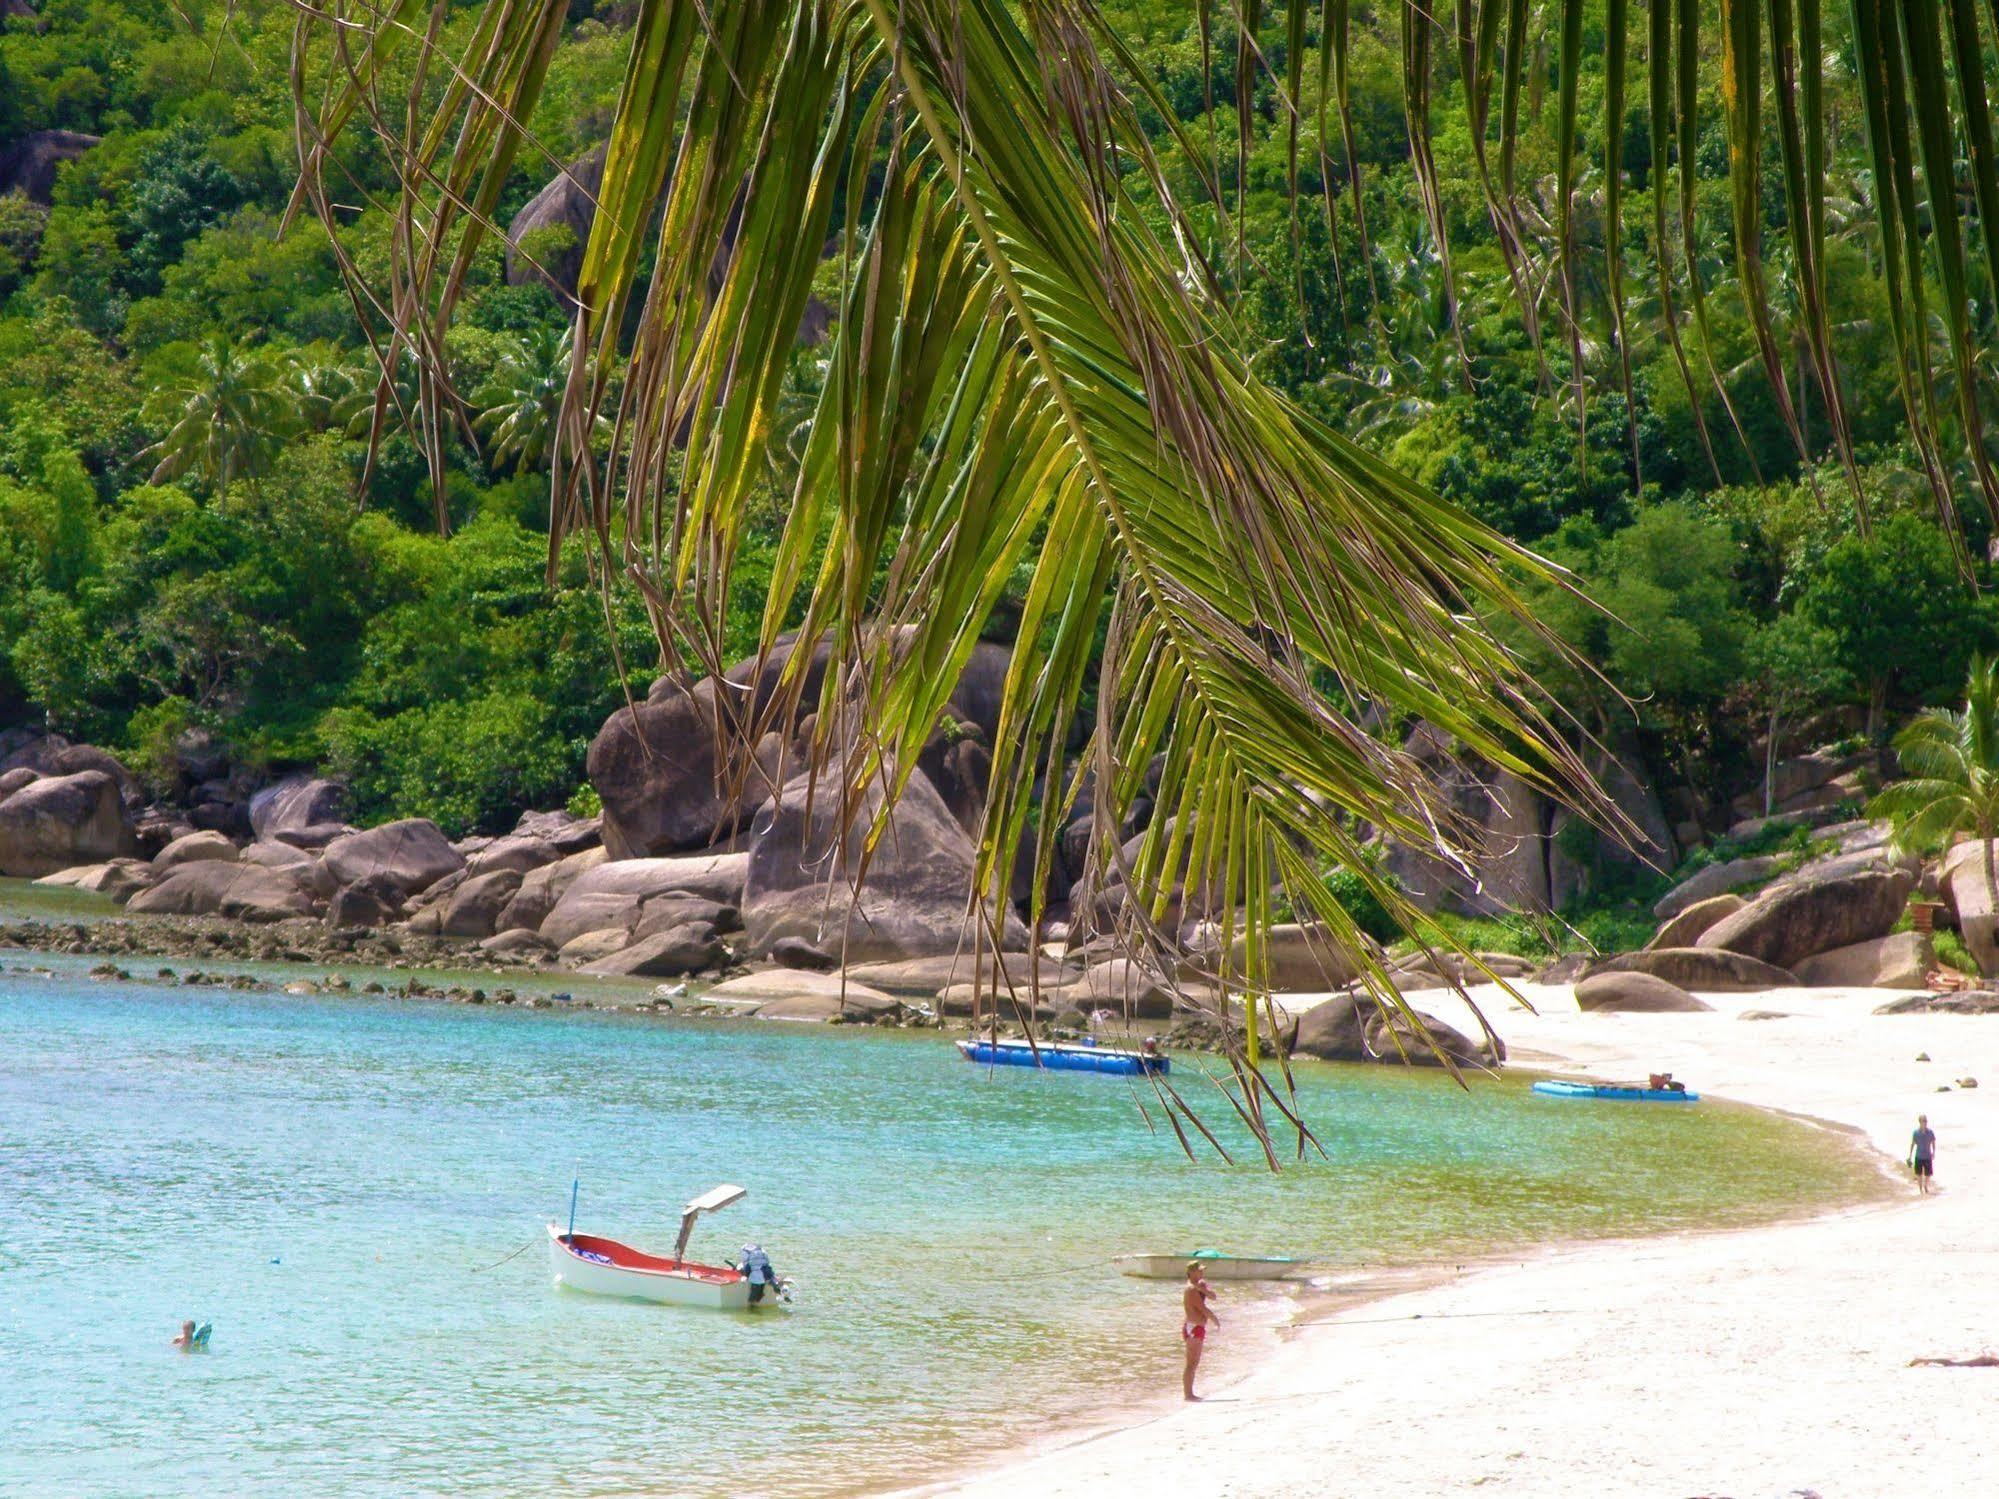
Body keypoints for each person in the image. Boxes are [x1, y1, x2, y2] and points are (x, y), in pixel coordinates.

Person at [1181, 1261, 1220, 1401]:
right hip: (1193, 1327)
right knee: (1191, 1363)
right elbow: (1201, 1308)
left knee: (1195, 1362)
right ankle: (1188, 1395)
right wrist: (1215, 1319)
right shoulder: (1190, 1289)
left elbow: (1213, 1297)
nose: (1202, 1273)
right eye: (1199, 1271)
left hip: (1199, 1327)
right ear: (1191, 1272)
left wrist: (1202, 1288)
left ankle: (1190, 1393)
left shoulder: (1200, 1284)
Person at [1909, 1114, 1938, 1194]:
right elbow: (1913, 1144)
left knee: (1928, 1174)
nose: (1925, 1122)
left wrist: (1933, 1152)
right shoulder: (1916, 1133)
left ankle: (1925, 1185)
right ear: (1920, 1122)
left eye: (1926, 1121)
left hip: (1928, 1156)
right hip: (1919, 1156)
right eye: (1924, 1121)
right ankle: (1920, 1188)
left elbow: (1933, 1142)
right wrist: (1910, 1156)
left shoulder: (1930, 1132)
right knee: (1919, 1174)